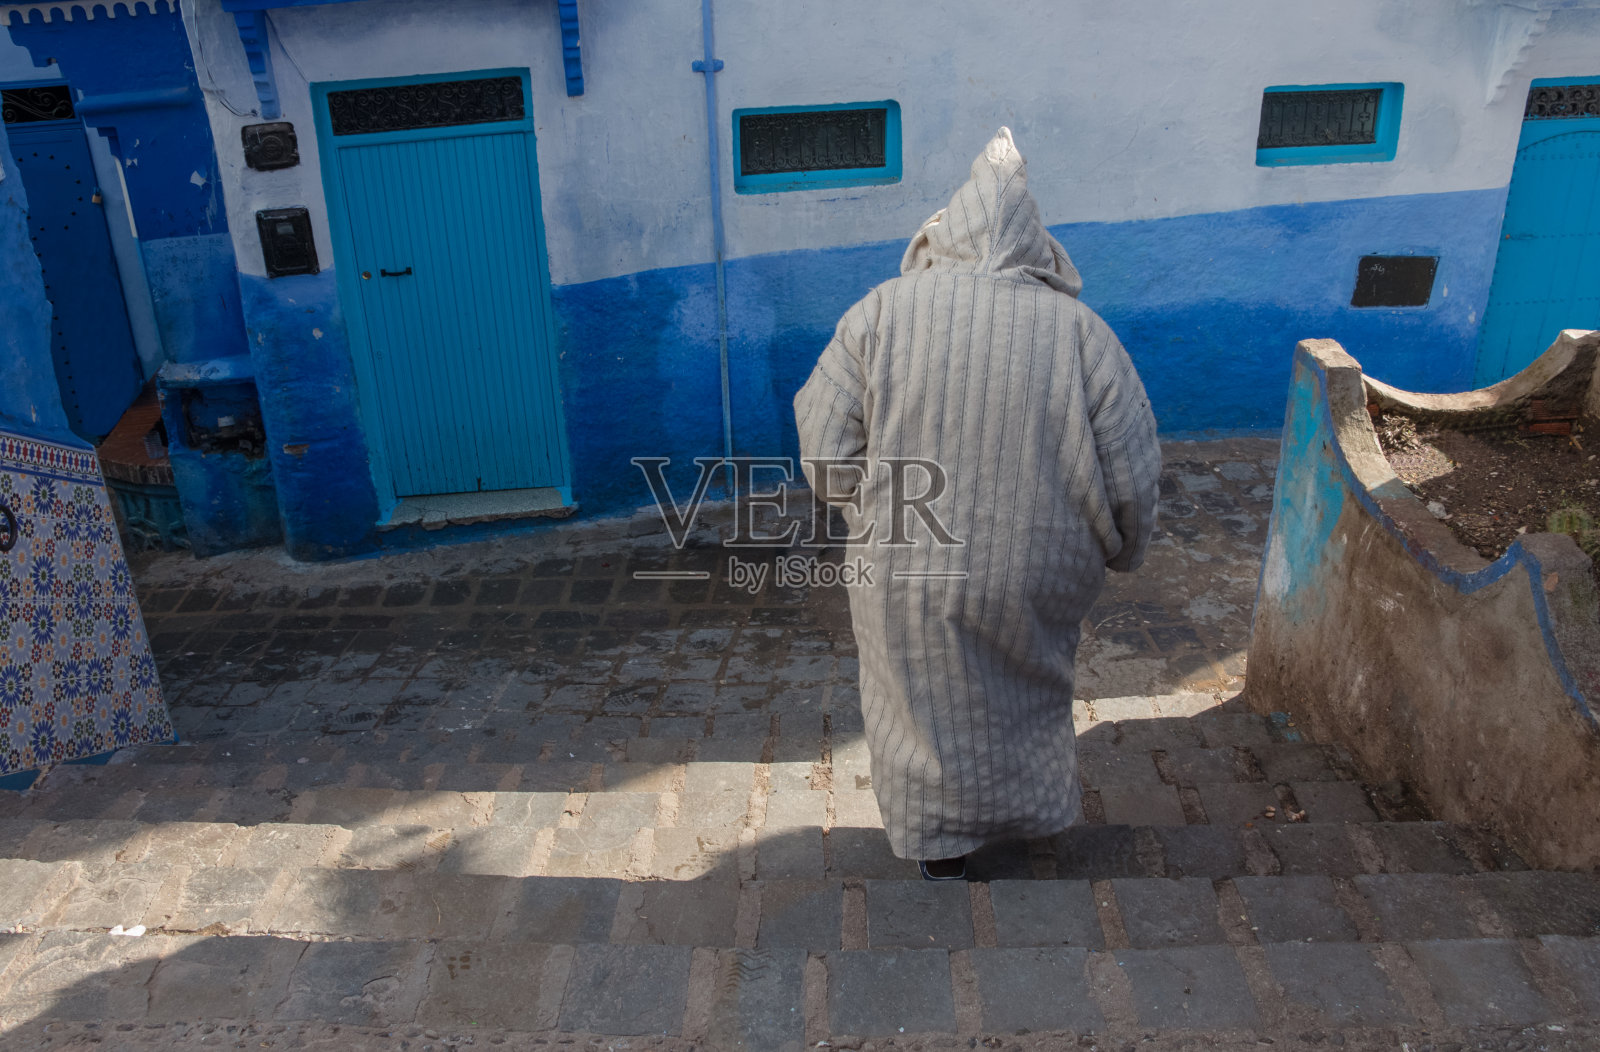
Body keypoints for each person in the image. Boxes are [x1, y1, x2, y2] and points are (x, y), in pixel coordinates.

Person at [793, 127, 1161, 880]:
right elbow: (1132, 469)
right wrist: (1125, 548)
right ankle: (1027, 821)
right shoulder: (1084, 335)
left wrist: (871, 510)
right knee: (1026, 691)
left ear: (942, 234)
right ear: (1041, 249)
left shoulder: (879, 313)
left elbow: (825, 444)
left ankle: (940, 845)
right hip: (1036, 565)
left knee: (919, 704)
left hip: (903, 565)